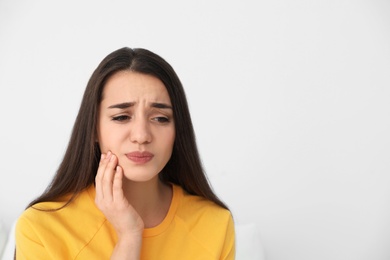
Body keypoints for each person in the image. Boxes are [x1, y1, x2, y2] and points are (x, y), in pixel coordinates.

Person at [15, 47, 235, 259]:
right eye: (121, 117)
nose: (141, 135)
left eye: (160, 118)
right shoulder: (40, 229)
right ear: (93, 129)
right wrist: (129, 237)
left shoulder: (215, 224)